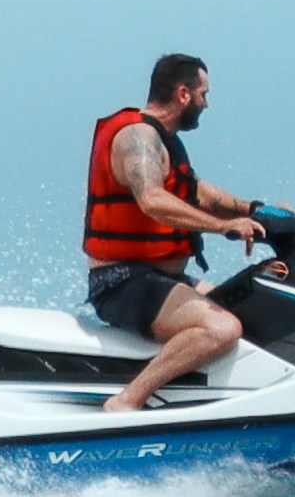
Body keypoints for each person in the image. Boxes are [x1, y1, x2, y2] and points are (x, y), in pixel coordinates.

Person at [82, 54, 281, 413]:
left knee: (252, 303)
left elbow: (201, 194)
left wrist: (256, 210)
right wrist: (224, 227)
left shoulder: (165, 140)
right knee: (222, 329)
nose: (207, 103)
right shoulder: (138, 138)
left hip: (157, 278)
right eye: (204, 94)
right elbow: (152, 199)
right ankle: (127, 401)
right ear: (184, 94)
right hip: (121, 282)